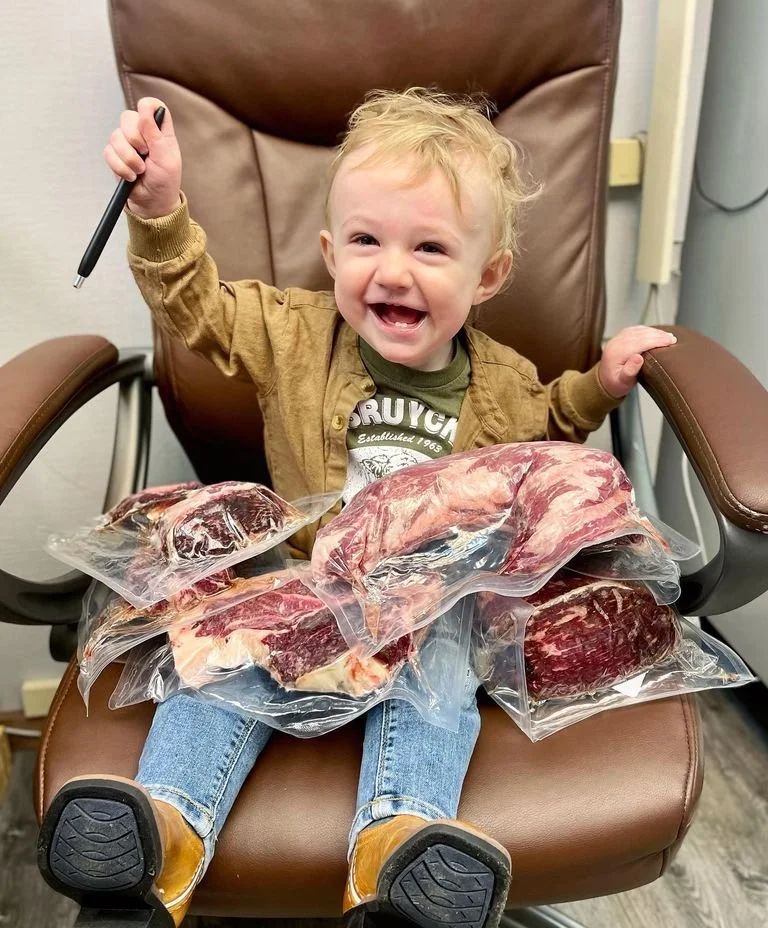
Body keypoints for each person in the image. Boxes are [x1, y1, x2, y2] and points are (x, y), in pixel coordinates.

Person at [40, 88, 676, 928]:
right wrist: (158, 211)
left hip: (426, 606)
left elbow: (550, 425)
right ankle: (160, 839)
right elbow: (196, 307)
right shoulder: (293, 334)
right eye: (367, 242)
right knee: (220, 669)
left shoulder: (503, 383)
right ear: (331, 253)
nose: (393, 271)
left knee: (441, 673)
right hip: (301, 589)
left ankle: (395, 859)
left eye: (431, 248)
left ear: (487, 276)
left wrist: (603, 383)